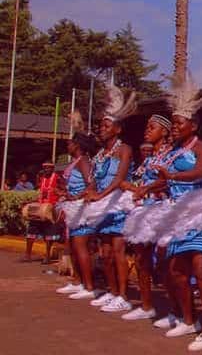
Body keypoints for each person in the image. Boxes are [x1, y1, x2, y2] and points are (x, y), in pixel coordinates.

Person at [150, 72, 202, 351]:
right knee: (176, 270)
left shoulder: (201, 147)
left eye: (179, 123)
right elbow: (166, 176)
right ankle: (188, 320)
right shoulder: (174, 152)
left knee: (201, 268)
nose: (175, 127)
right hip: (179, 215)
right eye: (174, 123)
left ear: (193, 125)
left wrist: (173, 178)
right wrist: (146, 189)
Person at [85, 82, 137, 314]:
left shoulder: (124, 149)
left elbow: (119, 178)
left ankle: (124, 295)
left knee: (117, 252)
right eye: (100, 124)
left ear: (117, 129)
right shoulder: (98, 154)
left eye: (106, 125)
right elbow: (94, 179)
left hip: (117, 205)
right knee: (104, 254)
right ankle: (112, 291)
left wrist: (100, 196)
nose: (101, 128)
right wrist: (90, 193)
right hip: (101, 206)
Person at [120, 114, 174, 322]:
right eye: (147, 127)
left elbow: (168, 181)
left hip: (164, 210)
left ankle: (176, 311)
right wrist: (132, 188)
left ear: (165, 132)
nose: (147, 130)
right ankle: (146, 306)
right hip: (145, 210)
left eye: (152, 127)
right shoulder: (149, 159)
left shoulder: (172, 154)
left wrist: (145, 188)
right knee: (142, 259)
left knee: (164, 263)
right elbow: (142, 184)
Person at [55, 128, 99, 298]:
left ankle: (89, 287)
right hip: (74, 209)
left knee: (81, 248)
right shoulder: (75, 162)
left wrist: (76, 196)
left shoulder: (84, 161)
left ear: (77, 145)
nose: (67, 145)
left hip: (82, 209)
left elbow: (92, 185)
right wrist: (65, 193)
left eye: (70, 143)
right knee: (73, 247)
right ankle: (77, 282)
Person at [24, 162, 62, 263]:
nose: (46, 170)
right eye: (45, 168)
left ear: (52, 169)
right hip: (40, 208)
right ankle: (27, 255)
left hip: (50, 208)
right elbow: (39, 189)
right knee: (32, 230)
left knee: (49, 233)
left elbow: (64, 189)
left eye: (49, 168)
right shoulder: (42, 178)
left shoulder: (57, 178)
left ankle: (47, 256)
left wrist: (58, 192)